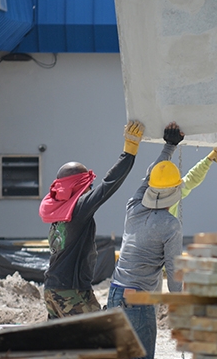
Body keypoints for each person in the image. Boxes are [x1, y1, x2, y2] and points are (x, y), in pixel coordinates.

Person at [38, 120, 144, 319]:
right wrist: (129, 152)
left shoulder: (60, 211)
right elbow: (108, 185)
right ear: (80, 186)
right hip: (71, 291)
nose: (91, 190)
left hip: (52, 290)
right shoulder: (78, 208)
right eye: (88, 185)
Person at [108, 122, 185, 359]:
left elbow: (150, 175)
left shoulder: (134, 206)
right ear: (176, 191)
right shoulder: (170, 226)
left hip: (115, 293)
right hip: (137, 299)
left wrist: (169, 146)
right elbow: (174, 272)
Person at [168, 147, 217, 218]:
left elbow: (192, 179)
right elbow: (191, 179)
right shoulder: (170, 195)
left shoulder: (168, 195)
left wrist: (210, 158)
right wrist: (209, 158)